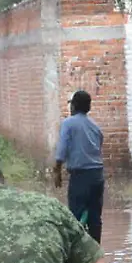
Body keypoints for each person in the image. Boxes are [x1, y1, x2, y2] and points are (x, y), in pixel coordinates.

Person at [52, 90, 106, 244]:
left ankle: (76, 254)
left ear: (73, 106)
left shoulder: (68, 123)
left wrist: (57, 172)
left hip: (80, 176)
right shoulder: (95, 126)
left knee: (75, 217)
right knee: (95, 218)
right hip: (97, 176)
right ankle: (96, 252)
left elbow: (62, 150)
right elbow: (98, 148)